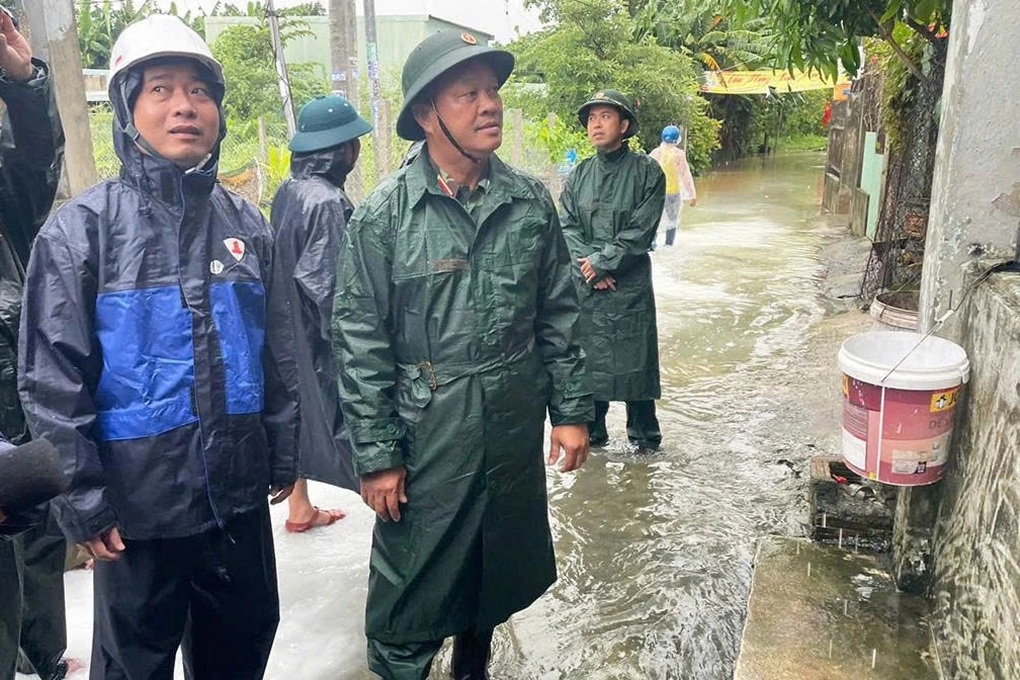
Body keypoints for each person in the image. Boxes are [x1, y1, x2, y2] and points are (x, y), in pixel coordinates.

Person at [18, 14, 299, 678]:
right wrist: (82, 501)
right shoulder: (81, 233)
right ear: (127, 107)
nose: (184, 106)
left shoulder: (246, 228)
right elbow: (52, 383)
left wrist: (282, 450)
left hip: (236, 507)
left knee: (242, 646)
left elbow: (276, 352)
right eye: (162, 89)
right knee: (134, 666)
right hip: (137, 519)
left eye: (199, 91)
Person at [332, 29, 593, 680]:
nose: (490, 105)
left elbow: (558, 309)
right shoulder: (385, 217)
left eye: (493, 91)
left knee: (494, 572)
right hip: (427, 434)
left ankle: (472, 669)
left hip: (509, 424)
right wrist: (377, 455)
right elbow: (359, 340)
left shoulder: (529, 201)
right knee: (407, 602)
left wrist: (570, 410)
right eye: (467, 93)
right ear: (426, 115)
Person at [0, 6, 73, 680]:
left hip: (11, 405)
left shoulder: (7, 209)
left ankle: (42, 655)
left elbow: (35, 172)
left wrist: (23, 82)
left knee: (35, 531)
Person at [270, 94, 368, 531]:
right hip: (315, 336)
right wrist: (359, 350)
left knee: (299, 417)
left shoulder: (289, 189)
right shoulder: (326, 201)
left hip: (286, 329)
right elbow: (330, 289)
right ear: (342, 150)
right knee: (345, 428)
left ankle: (300, 507)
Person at [559, 89, 666, 451]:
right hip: (588, 287)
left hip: (629, 287)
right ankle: (594, 446)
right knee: (591, 370)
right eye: (591, 118)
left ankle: (646, 449)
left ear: (624, 125)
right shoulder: (578, 176)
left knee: (636, 374)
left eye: (605, 116)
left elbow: (640, 231)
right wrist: (590, 266)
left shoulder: (647, 172)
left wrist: (602, 262)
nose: (596, 124)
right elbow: (567, 227)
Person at [648, 124, 696, 247]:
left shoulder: (655, 153)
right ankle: (668, 245)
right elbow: (685, 175)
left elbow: (647, 175)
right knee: (672, 221)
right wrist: (692, 195)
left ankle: (652, 245)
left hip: (657, 193)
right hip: (673, 193)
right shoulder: (679, 154)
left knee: (654, 220)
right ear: (676, 139)